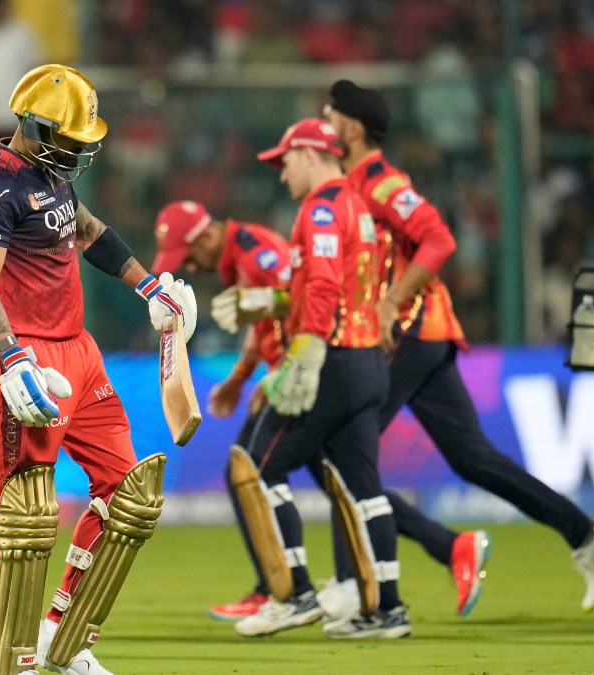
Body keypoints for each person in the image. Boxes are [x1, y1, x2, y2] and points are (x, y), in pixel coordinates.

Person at [323, 79, 594, 616]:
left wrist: (391, 302)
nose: (323, 120)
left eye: (330, 114)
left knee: (343, 451)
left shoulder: (382, 183)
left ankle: (357, 581)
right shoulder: (347, 186)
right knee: (473, 460)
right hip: (421, 338)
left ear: (351, 126)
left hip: (410, 334)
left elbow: (440, 238)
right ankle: (586, 536)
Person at [0, 64, 196, 674]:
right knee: (23, 512)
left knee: (128, 496)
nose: (74, 154)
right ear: (32, 127)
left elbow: (89, 233)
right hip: (29, 360)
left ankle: (60, 646)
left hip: (79, 352)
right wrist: (12, 356)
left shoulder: (50, 177)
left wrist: (148, 286)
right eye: (66, 142)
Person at [233, 117, 409, 639]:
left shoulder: (322, 207)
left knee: (260, 465)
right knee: (365, 488)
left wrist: (304, 354)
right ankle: (388, 610)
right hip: (368, 363)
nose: (281, 174)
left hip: (330, 359)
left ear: (310, 155)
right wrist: (266, 301)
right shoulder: (361, 207)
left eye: (284, 161)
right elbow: (336, 284)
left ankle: (295, 593)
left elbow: (326, 285)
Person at [149, 199, 310, 622]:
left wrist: (281, 372)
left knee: (254, 471)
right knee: (269, 472)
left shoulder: (259, 254)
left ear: (206, 237)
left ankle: (289, 589)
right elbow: (265, 326)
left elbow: (302, 305)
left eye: (189, 255)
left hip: (302, 375)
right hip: (287, 373)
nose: (192, 266)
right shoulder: (241, 256)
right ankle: (288, 586)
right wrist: (241, 379)